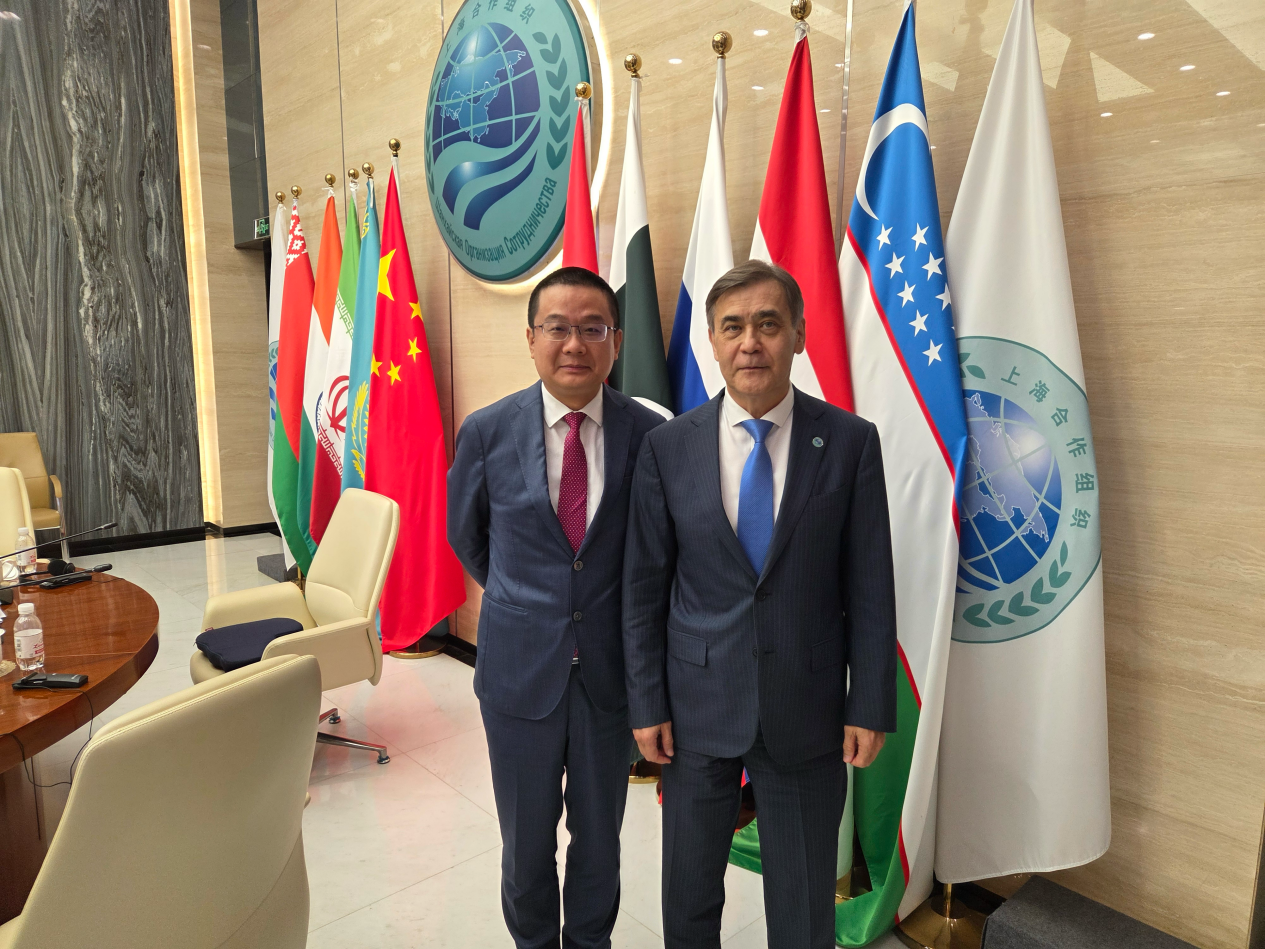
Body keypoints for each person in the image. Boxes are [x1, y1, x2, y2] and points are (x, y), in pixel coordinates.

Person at [622, 260, 898, 949]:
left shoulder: (849, 442)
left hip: (806, 708)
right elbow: (644, 587)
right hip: (694, 709)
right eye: (733, 327)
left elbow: (870, 587)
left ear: (798, 335)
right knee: (688, 895)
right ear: (712, 342)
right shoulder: (667, 448)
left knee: (803, 906)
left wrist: (869, 703)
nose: (750, 342)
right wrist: (646, 702)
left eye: (768, 324)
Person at [448, 267, 664, 949]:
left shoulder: (648, 433)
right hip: (518, 674)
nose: (575, 344)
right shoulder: (486, 430)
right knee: (525, 842)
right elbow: (466, 534)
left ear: (616, 341)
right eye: (558, 327)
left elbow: (654, 552)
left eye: (593, 328)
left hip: (608, 678)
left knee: (600, 841)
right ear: (531, 337)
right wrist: (525, 600)